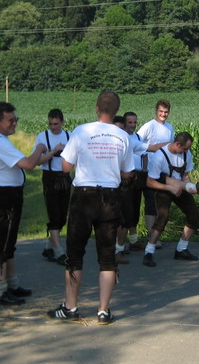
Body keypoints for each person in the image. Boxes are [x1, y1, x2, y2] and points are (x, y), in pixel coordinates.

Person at [48, 90, 133, 325]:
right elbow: (127, 173)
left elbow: (66, 166)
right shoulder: (123, 136)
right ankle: (103, 310)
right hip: (111, 197)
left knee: (75, 253)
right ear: (116, 111)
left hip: (84, 197)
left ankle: (70, 306)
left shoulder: (81, 131)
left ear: (97, 107)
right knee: (107, 256)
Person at [0, 102, 48, 305]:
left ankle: (12, 284)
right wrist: (39, 148)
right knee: (3, 244)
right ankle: (0, 291)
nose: (15, 123)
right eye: (10, 120)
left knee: (9, 242)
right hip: (4, 197)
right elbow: (29, 164)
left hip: (2, 194)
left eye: (15, 119)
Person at [113, 114, 168, 264]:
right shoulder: (121, 141)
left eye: (134, 122)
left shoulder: (133, 138)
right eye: (129, 123)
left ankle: (132, 240)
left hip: (135, 177)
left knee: (132, 211)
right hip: (121, 179)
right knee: (123, 216)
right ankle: (117, 249)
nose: (132, 125)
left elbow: (148, 151)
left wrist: (142, 171)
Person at [142, 131, 199, 267]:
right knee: (162, 218)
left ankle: (181, 249)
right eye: (185, 148)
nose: (186, 151)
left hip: (180, 188)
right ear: (177, 144)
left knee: (194, 216)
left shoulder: (186, 154)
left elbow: (185, 176)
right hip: (163, 189)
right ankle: (148, 252)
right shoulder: (159, 157)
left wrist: (189, 187)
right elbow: (150, 182)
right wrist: (169, 188)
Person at [35, 108, 72, 265]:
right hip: (50, 178)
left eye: (56, 124)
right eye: (50, 124)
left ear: (62, 122)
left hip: (65, 177)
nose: (53, 127)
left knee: (63, 216)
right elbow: (37, 161)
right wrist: (53, 152)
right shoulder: (42, 137)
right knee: (54, 214)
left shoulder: (69, 136)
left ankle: (48, 247)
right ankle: (59, 251)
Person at [137, 99, 174, 236]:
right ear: (156, 111)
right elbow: (137, 143)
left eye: (166, 112)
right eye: (161, 111)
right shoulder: (149, 126)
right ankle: (150, 233)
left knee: (162, 204)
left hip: (164, 171)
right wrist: (144, 163)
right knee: (151, 203)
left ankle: (157, 234)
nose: (163, 114)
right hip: (150, 170)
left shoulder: (170, 127)